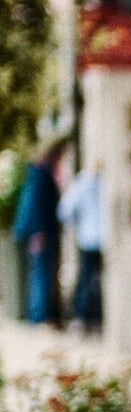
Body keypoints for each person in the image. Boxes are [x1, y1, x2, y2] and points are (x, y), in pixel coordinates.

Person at [11, 140, 63, 326]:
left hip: (39, 231)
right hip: (40, 232)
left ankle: (40, 315)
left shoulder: (37, 174)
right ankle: (39, 316)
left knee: (40, 272)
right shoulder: (41, 175)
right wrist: (38, 232)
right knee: (41, 273)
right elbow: (37, 206)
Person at [58, 159, 106, 332]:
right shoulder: (101, 183)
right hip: (103, 238)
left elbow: (64, 211)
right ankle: (95, 316)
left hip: (88, 237)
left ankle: (82, 316)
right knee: (97, 278)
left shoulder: (81, 184)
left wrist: (75, 225)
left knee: (86, 277)